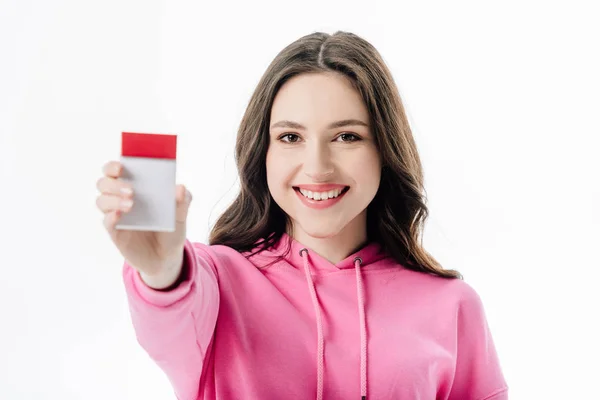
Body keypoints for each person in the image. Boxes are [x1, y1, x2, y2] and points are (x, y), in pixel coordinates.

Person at [96, 31, 508, 400]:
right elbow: (170, 315)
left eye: (347, 136)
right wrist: (163, 270)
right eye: (291, 137)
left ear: (384, 150)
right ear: (264, 152)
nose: (317, 166)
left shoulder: (452, 306)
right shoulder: (216, 283)